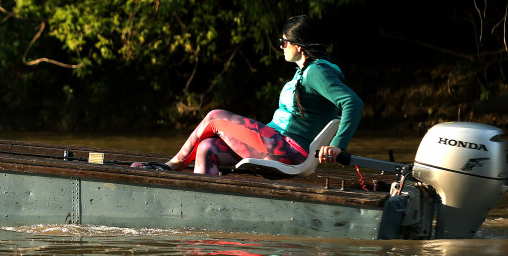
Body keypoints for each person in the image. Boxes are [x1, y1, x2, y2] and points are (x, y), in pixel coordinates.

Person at [145, 15, 363, 176]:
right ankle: (205, 204)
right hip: (277, 145)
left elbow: (352, 102)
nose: (282, 47)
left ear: (299, 45)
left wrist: (338, 144)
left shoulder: (317, 72)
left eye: (284, 42)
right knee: (207, 148)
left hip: (289, 151)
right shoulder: (304, 72)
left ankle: (172, 165)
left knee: (215, 117)